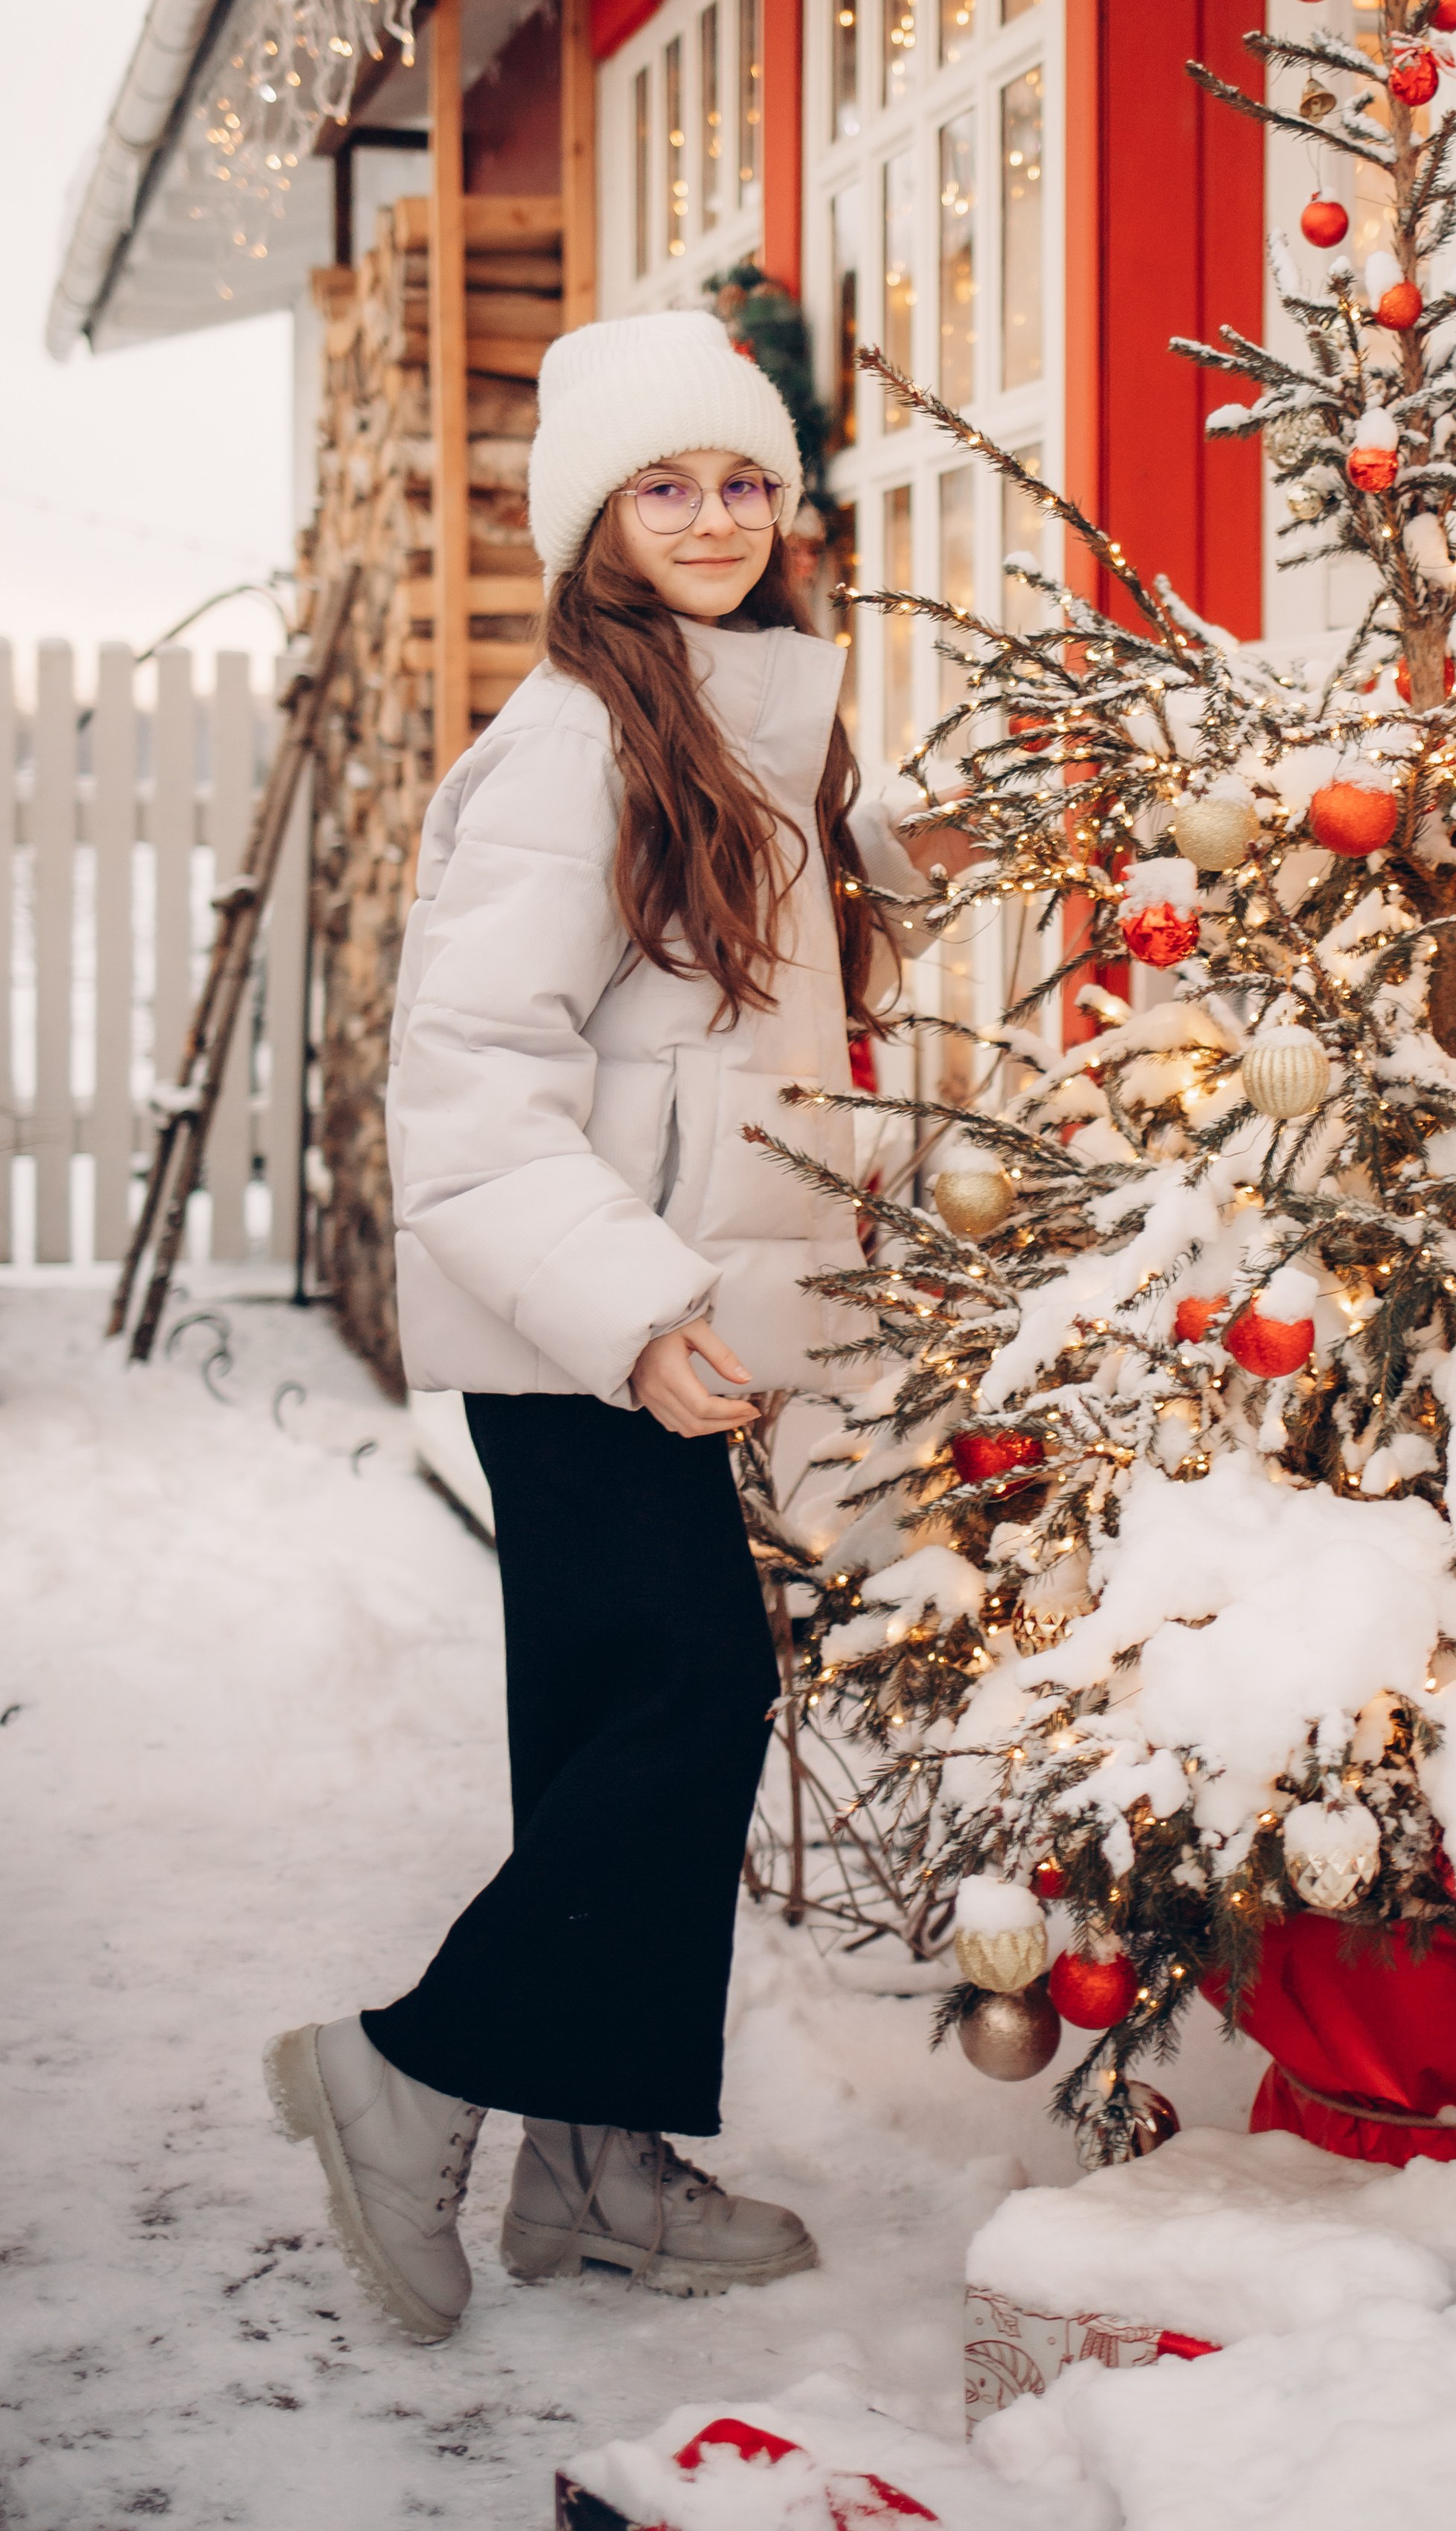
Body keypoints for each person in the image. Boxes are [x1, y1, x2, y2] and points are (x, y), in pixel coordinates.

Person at [266, 311, 949, 2344]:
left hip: (667, 1300)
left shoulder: (747, 706)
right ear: (594, 522)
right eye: (667, 486)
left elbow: (783, 935)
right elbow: (472, 1084)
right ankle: (405, 2069)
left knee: (600, 1720)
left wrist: (922, 847)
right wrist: (637, 1314)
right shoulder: (574, 737)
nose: (716, 516)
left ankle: (597, 2162)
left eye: (743, 479)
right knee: (687, 1700)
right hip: (588, 1315)